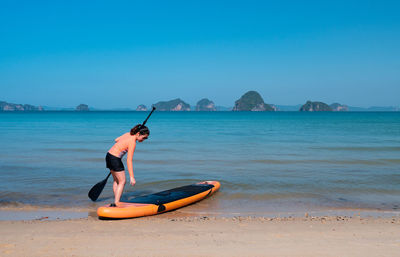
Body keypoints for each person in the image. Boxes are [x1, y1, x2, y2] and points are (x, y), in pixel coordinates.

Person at [105, 124, 150, 207]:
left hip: (108, 156)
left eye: (146, 138)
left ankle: (116, 200)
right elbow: (129, 160)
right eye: (144, 137)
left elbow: (116, 140)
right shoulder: (132, 143)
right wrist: (132, 177)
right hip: (115, 159)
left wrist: (122, 147)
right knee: (122, 181)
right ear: (138, 134)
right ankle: (117, 203)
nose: (144, 140)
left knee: (116, 181)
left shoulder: (128, 134)